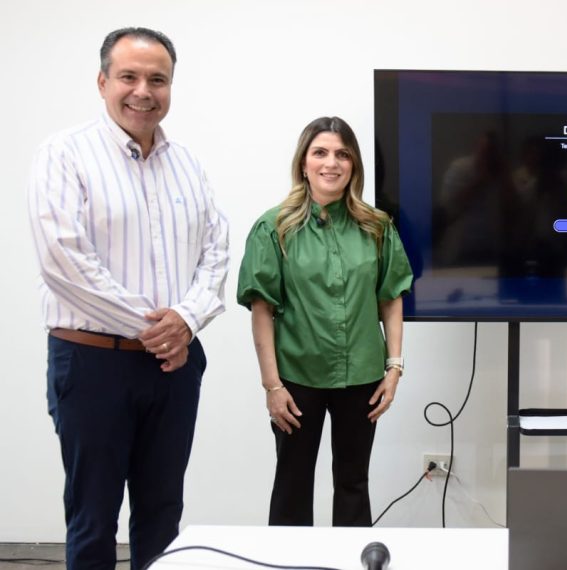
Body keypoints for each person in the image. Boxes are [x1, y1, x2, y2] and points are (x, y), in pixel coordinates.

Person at [27, 27, 229, 568]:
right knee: (93, 518)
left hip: (174, 367)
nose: (144, 91)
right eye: (129, 77)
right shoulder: (65, 154)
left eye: (157, 80)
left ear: (171, 87)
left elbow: (216, 250)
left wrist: (185, 320)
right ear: (102, 82)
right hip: (93, 362)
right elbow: (64, 261)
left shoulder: (188, 164)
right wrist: (159, 328)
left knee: (163, 513)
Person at [236, 117, 413, 526]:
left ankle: (350, 556)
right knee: (292, 483)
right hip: (296, 378)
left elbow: (390, 299)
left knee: (353, 482)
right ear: (304, 162)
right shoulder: (273, 228)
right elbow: (262, 311)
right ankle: (288, 558)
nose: (331, 163)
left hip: (363, 376)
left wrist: (394, 368)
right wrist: (272, 386)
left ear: (354, 165)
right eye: (320, 153)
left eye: (342, 154)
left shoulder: (377, 227)